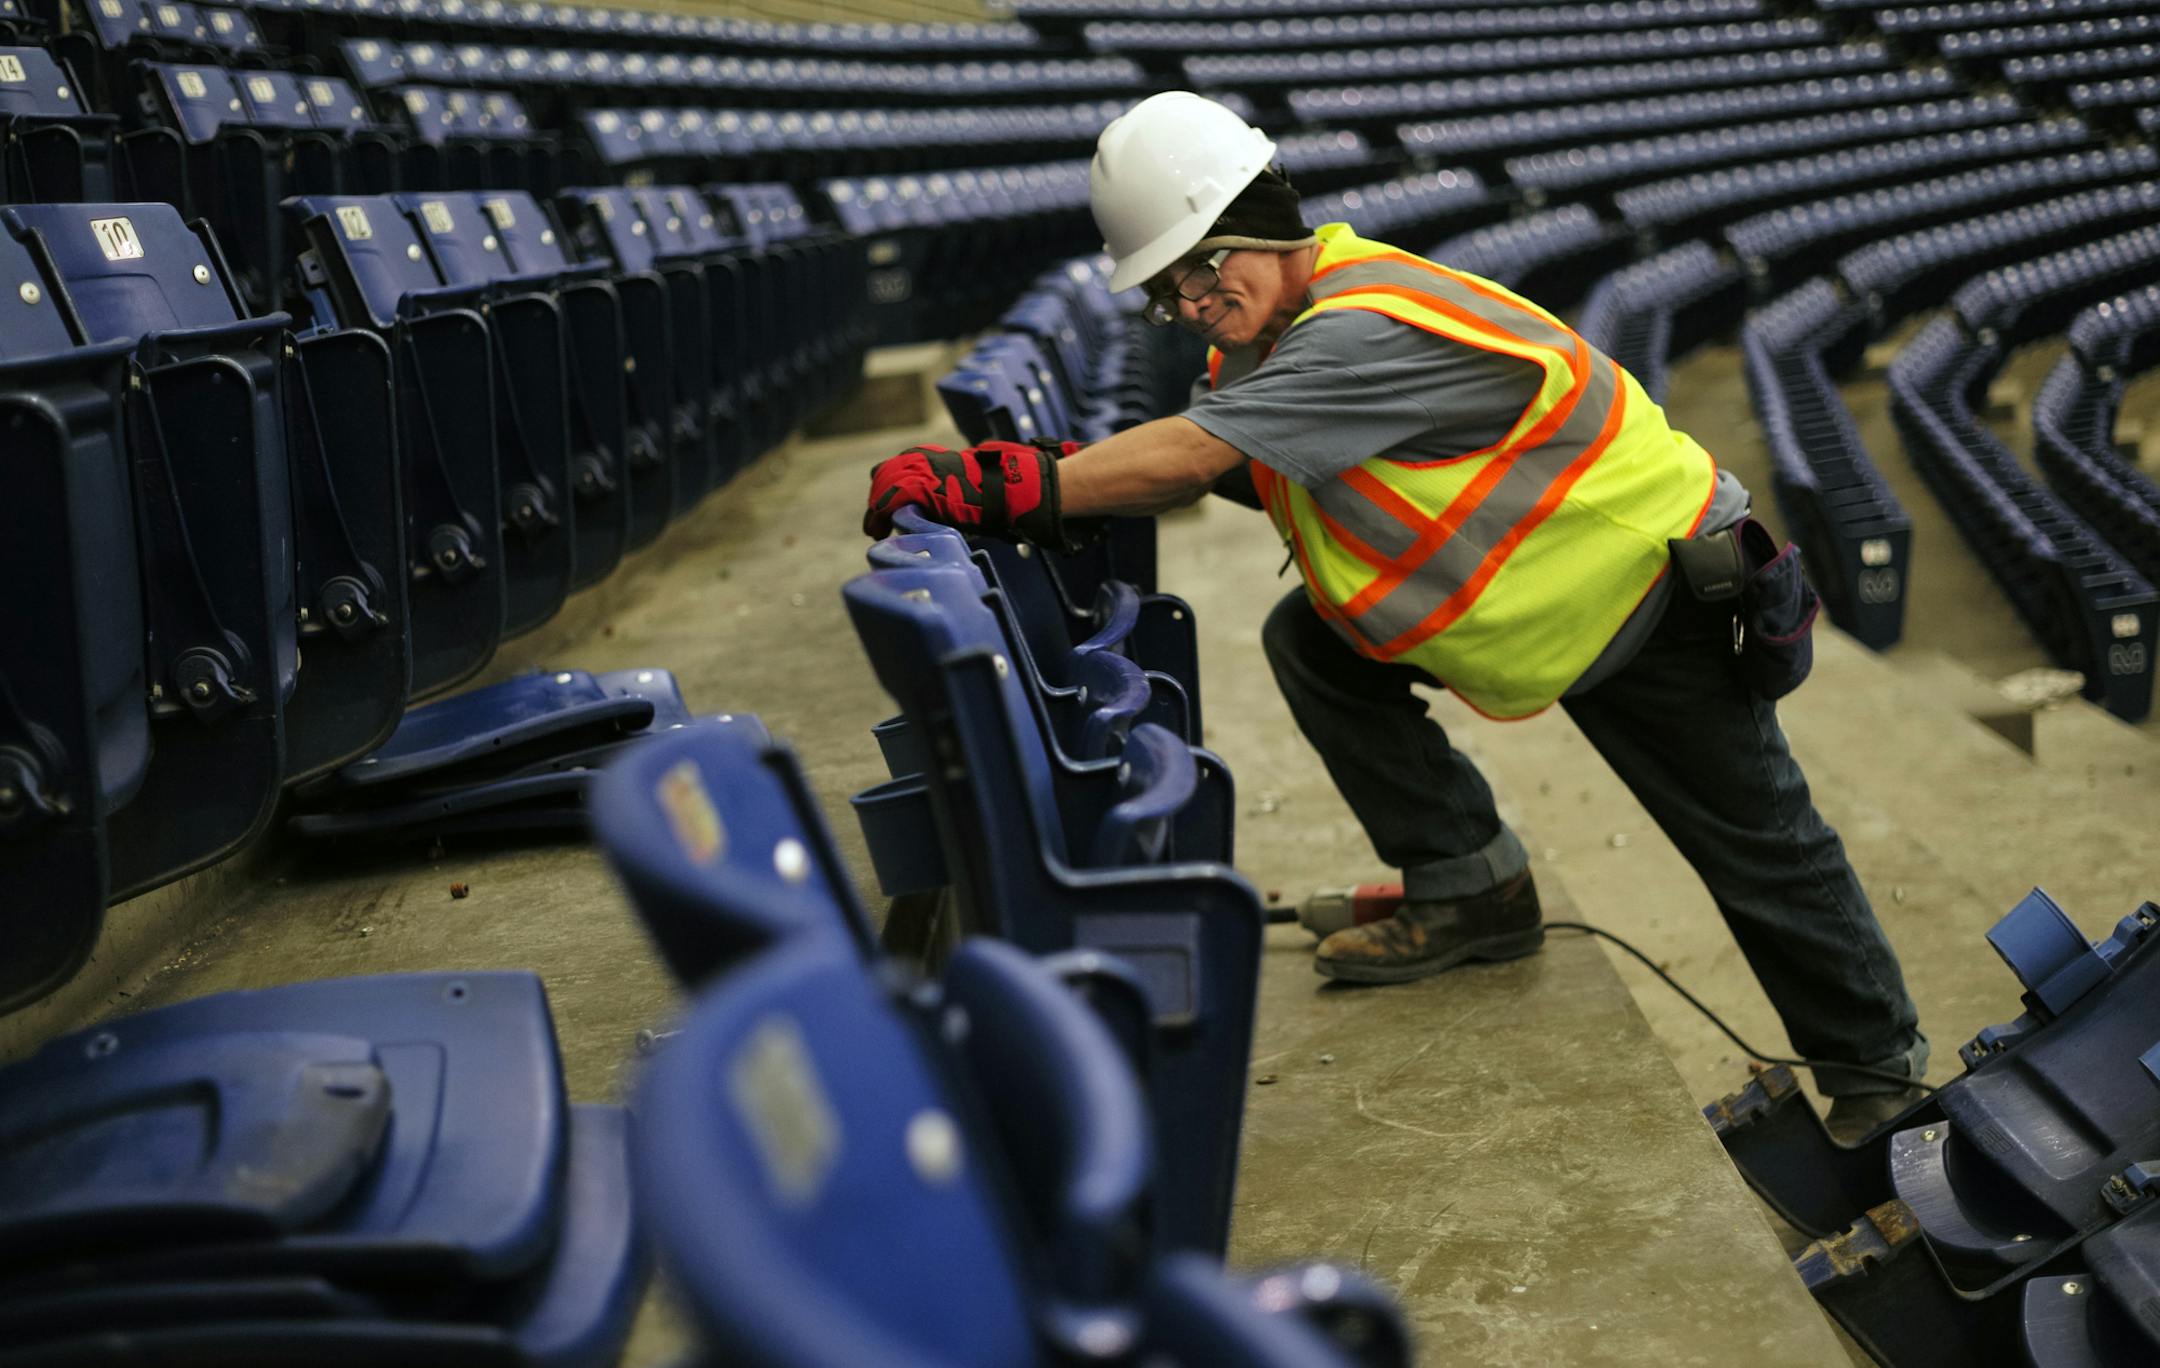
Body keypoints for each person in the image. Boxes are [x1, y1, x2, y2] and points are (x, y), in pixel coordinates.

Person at [862, 91, 1928, 1138]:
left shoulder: (1355, 331)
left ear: (1257, 226)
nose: (1187, 303)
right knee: (1315, 645)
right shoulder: (1279, 335)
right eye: (1166, 288)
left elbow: (1192, 457)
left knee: (1760, 850)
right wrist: (1066, 473)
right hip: (1561, 595)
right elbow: (1250, 466)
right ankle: (1473, 887)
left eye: (1198, 268)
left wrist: (1005, 486)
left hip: (1659, 594)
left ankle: (1880, 1076)